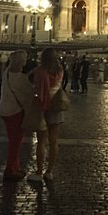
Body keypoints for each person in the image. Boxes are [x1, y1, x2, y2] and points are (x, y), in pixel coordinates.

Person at [27, 48, 65, 184]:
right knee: (54, 141)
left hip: (42, 107)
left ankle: (38, 171)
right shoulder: (60, 71)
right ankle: (49, 171)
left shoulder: (40, 71)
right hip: (56, 107)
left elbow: (32, 83)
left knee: (41, 141)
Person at [0, 50, 34, 180]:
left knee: (13, 140)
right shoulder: (21, 78)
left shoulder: (6, 73)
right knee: (15, 142)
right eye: (24, 60)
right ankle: (10, 169)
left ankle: (16, 167)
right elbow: (30, 92)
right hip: (15, 111)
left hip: (4, 110)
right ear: (21, 62)